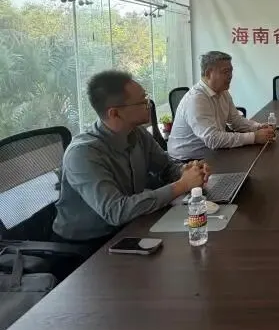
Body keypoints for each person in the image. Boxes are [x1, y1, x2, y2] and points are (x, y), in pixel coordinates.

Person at [52, 70, 210, 246]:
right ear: (114, 113)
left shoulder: (137, 133)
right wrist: (182, 184)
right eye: (142, 101)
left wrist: (187, 171)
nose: (149, 104)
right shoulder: (83, 153)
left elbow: (165, 167)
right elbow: (116, 211)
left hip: (132, 224)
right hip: (90, 245)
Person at [168, 51, 275, 161]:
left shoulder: (223, 92)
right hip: (186, 162)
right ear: (208, 73)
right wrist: (254, 137)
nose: (230, 76)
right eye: (225, 72)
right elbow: (212, 139)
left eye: (231, 71)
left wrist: (258, 127)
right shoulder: (196, 99)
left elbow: (235, 121)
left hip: (213, 153)